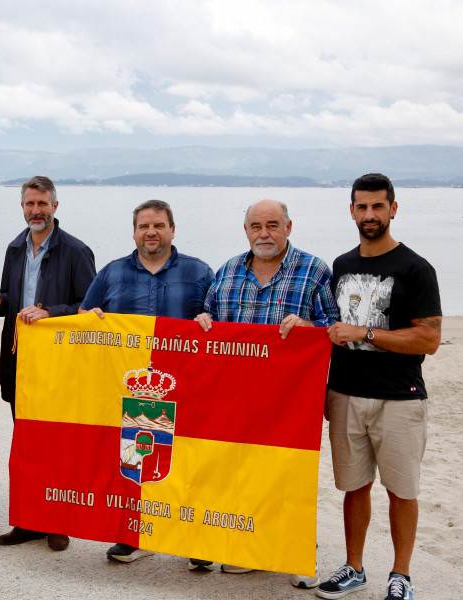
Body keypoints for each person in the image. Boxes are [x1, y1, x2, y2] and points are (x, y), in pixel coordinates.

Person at [191, 198, 339, 587]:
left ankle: (295, 555)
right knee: (240, 473)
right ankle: (250, 547)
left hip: (289, 399)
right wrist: (202, 321)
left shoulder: (314, 270)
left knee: (289, 475)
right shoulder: (226, 271)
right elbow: (208, 318)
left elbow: (334, 328)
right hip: (235, 398)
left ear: (289, 228)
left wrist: (308, 325)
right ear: (246, 231)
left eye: (273, 225)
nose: (265, 234)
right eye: (256, 226)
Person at [318, 174, 441, 600]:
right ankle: (354, 567)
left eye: (378, 206)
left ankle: (401, 575)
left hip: (400, 399)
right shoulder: (341, 265)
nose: (370, 215)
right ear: (352, 210)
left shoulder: (416, 268)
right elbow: (329, 330)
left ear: (393, 208)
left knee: (401, 490)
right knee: (354, 487)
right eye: (362, 207)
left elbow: (428, 339)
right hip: (346, 395)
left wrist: (365, 333)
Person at [79, 199, 214, 563]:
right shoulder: (111, 272)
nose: (151, 232)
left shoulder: (199, 272)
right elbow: (84, 316)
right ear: (134, 231)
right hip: (128, 391)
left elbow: (218, 323)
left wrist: (207, 319)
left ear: (172, 229)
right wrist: (90, 317)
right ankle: (134, 536)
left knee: (188, 464)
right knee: (134, 463)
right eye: (144, 226)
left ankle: (193, 541)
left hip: (181, 389)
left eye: (158, 225)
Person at [0, 176, 96, 552]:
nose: (35, 211)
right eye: (29, 204)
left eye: (42, 204)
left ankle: (58, 522)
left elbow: (90, 306)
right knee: (26, 445)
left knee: (56, 445)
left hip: (58, 366)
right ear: (22, 207)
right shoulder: (13, 248)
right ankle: (29, 520)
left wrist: (51, 312)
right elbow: (9, 297)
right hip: (19, 362)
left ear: (55, 206)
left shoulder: (76, 250)